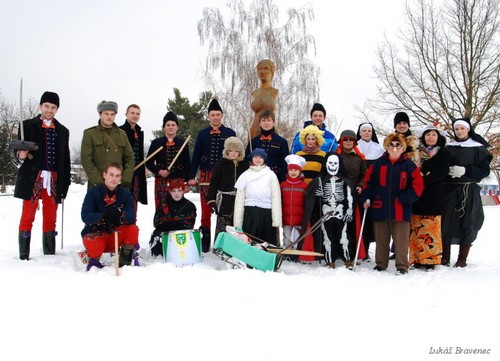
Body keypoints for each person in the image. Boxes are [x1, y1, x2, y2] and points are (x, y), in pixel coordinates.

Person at [15, 91, 71, 260]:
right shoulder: (26, 125)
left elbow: (66, 160)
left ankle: (49, 255)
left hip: (53, 179)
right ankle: (24, 255)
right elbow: (17, 150)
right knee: (27, 215)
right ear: (40, 106)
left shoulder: (63, 131)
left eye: (53, 107)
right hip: (34, 177)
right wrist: (20, 155)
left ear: (57, 109)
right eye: (46, 106)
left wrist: (65, 184)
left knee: (50, 216)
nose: (49, 110)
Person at [360, 133, 423, 275]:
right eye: (391, 145)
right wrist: (366, 197)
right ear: (387, 147)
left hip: (401, 209)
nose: (394, 148)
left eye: (398, 145)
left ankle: (401, 265)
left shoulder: (409, 166)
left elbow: (417, 186)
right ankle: (381, 263)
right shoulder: (378, 164)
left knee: (401, 240)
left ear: (402, 148)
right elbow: (368, 183)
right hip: (380, 207)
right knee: (381, 239)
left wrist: (404, 198)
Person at [441, 117, 492, 267]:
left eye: (462, 128)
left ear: (468, 129)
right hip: (449, 189)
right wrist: (446, 171)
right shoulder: (448, 148)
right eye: (457, 129)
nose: (459, 131)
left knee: (469, 222)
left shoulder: (478, 148)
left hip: (469, 189)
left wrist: (465, 170)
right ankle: (445, 256)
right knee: (446, 222)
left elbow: (484, 170)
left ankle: (462, 259)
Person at [188, 99, 236, 252]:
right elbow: (195, 157)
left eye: (218, 114)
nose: (215, 117)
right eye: (212, 115)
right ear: (208, 116)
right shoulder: (202, 134)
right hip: (206, 176)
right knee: (206, 208)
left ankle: (223, 241)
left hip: (225, 175)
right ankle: (205, 242)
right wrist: (191, 176)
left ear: (222, 116)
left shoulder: (230, 133)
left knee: (225, 209)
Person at [81, 163, 139, 270]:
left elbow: (131, 216)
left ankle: (124, 264)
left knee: (132, 230)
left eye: (117, 176)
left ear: (121, 178)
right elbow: (85, 215)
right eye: (111, 175)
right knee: (94, 245)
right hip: (97, 233)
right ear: (104, 175)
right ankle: (92, 259)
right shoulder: (93, 193)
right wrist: (103, 216)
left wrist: (120, 214)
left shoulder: (126, 194)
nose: (114, 179)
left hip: (115, 235)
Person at [303, 153, 357, 268]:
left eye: (335, 163)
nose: (332, 166)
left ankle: (347, 259)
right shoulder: (319, 181)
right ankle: (329, 260)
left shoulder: (345, 181)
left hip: (341, 211)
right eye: (330, 163)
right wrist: (317, 196)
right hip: (325, 212)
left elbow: (349, 196)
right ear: (326, 164)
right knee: (327, 238)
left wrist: (350, 210)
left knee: (344, 237)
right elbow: (312, 201)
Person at [409, 124, 450, 270]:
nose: (430, 137)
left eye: (433, 134)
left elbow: (441, 172)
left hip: (434, 194)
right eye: (428, 134)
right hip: (418, 195)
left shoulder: (443, 153)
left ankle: (430, 260)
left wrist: (424, 179)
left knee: (431, 228)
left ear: (438, 137)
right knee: (416, 227)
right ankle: (417, 258)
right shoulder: (417, 152)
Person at [81, 101, 135, 190]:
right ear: (100, 114)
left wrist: (124, 179)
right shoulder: (90, 134)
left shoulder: (122, 134)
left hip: (118, 185)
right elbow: (86, 160)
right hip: (97, 185)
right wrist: (99, 182)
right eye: (106, 114)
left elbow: (130, 158)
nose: (109, 117)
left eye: (112, 114)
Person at [234, 148, 282, 246]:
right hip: (249, 212)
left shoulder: (270, 175)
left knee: (264, 241)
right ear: (252, 158)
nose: (258, 159)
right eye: (255, 157)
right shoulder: (245, 175)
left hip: (266, 213)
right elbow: (239, 200)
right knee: (250, 240)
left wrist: (276, 220)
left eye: (260, 157)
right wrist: (238, 223)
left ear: (265, 159)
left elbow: (276, 198)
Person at [207, 137, 249, 242]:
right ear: (226, 151)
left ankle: (238, 245)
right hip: (225, 199)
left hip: (240, 199)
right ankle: (221, 244)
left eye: (236, 151)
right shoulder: (220, 164)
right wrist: (211, 199)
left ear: (240, 152)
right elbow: (214, 183)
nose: (233, 153)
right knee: (224, 221)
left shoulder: (245, 165)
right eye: (231, 151)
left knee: (238, 222)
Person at [146, 111, 190, 208]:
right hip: (161, 181)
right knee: (161, 209)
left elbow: (187, 164)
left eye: (173, 125)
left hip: (178, 182)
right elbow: (148, 162)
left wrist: (187, 182)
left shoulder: (182, 143)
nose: (170, 127)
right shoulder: (156, 143)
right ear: (164, 127)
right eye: (168, 125)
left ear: (177, 127)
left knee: (177, 208)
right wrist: (159, 171)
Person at [355, 122, 384, 259]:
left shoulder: (378, 149)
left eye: (369, 131)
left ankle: (367, 250)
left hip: (374, 189)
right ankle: (358, 251)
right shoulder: (355, 147)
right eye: (364, 131)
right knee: (358, 220)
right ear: (360, 133)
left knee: (370, 223)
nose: (366, 133)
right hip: (358, 188)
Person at [149, 179, 197, 257]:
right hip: (165, 233)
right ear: (170, 191)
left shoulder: (190, 206)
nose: (176, 193)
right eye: (173, 191)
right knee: (156, 234)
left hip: (182, 235)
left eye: (179, 190)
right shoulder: (163, 204)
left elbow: (189, 225)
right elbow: (156, 222)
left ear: (183, 191)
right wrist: (176, 221)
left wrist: (169, 221)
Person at [245, 109, 288, 182]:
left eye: (269, 120)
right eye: (263, 120)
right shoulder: (253, 141)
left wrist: (281, 181)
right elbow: (246, 159)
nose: (266, 123)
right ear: (260, 123)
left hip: (274, 178)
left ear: (274, 122)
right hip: (256, 178)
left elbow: (284, 164)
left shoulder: (282, 142)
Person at [119, 104, 147, 208]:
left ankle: (132, 223)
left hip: (137, 173)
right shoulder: (119, 131)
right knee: (122, 202)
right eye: (132, 113)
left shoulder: (139, 132)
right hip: (124, 173)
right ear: (126, 114)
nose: (135, 115)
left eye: (137, 113)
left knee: (133, 202)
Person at [280, 154, 308, 249]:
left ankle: (296, 254)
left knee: (297, 238)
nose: (293, 172)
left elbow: (306, 202)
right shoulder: (283, 185)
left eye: (296, 170)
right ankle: (287, 253)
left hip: (299, 218)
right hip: (286, 217)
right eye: (291, 170)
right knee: (287, 237)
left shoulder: (304, 185)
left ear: (300, 171)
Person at [250, 59, 278, 138]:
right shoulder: (255, 93)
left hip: (270, 130)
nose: (262, 72)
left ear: (272, 71)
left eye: (266, 68)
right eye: (260, 69)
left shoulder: (274, 92)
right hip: (254, 129)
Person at [337, 129, 367, 194]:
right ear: (341, 141)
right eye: (345, 139)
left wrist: (360, 185)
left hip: (354, 191)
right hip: (337, 192)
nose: (348, 141)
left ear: (354, 142)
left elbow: (364, 175)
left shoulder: (360, 157)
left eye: (351, 139)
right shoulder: (334, 156)